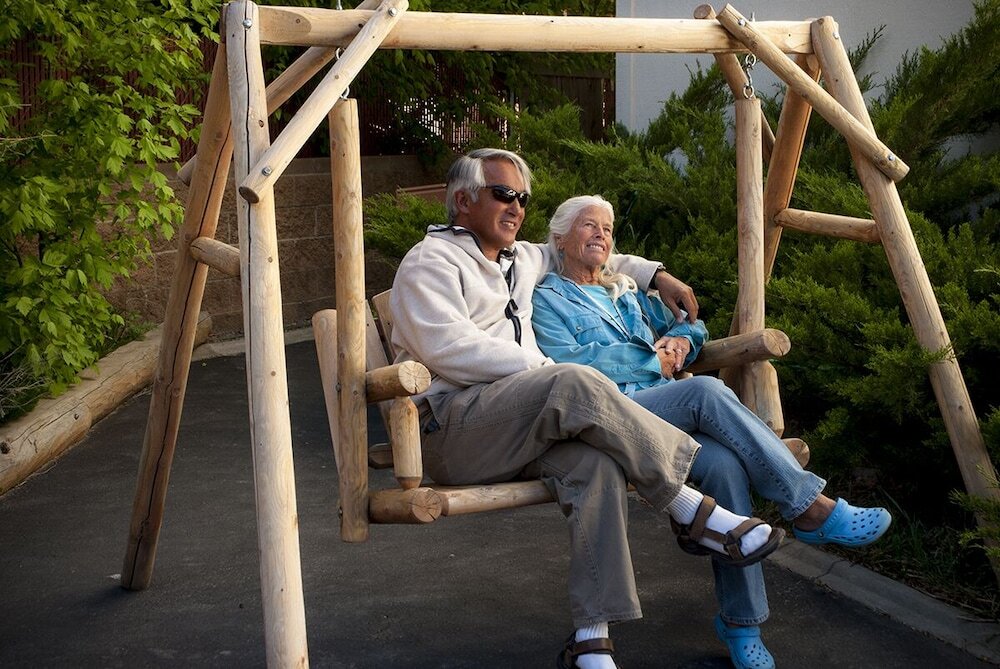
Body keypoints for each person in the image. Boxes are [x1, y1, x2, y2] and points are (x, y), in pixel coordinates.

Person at [389, 148, 786, 669]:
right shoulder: (430, 262)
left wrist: (657, 276)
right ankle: (692, 510)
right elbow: (449, 349)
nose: (516, 207)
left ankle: (591, 641)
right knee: (573, 380)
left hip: (521, 425)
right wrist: (541, 371)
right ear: (462, 201)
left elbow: (594, 253)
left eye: (523, 198)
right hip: (455, 429)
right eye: (503, 194)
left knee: (594, 465)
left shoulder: (521, 258)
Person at [531, 194, 893, 669]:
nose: (601, 233)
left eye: (607, 228)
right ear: (560, 239)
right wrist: (650, 359)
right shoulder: (547, 299)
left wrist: (681, 340)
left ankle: (742, 624)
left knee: (724, 466)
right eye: (588, 225)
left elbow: (692, 327)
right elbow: (570, 364)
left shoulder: (626, 291)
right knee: (703, 391)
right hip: (612, 415)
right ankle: (807, 506)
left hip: (663, 410)